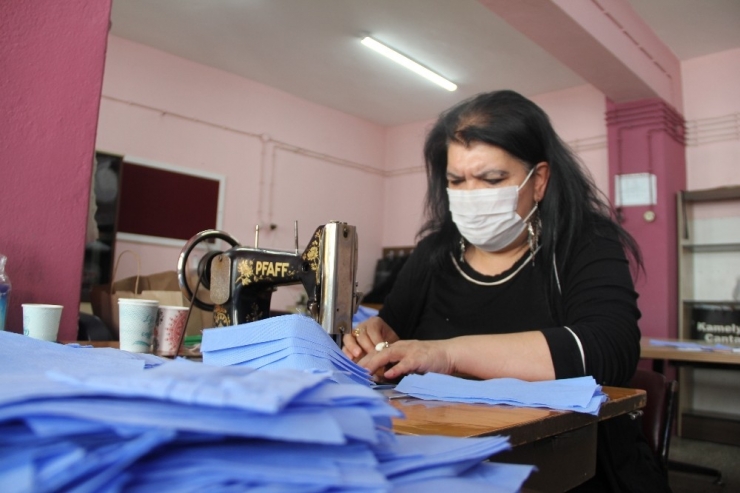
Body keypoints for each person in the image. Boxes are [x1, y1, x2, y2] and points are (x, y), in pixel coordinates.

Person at [342, 90, 671, 492]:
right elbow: (391, 333)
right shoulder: (434, 254)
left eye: (493, 179)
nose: (472, 194)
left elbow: (607, 349)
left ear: (540, 180)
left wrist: (447, 353)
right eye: (456, 180)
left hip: (572, 464)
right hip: (447, 456)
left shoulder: (584, 242)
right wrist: (375, 338)